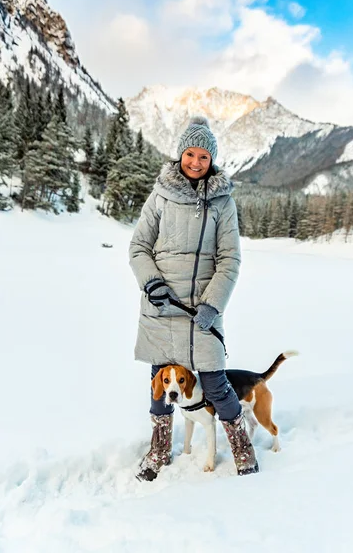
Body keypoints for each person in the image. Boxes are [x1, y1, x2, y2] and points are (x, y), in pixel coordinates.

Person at [129, 116, 259, 481]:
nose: (196, 162)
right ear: (180, 154)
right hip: (162, 308)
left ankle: (241, 446)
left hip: (203, 310)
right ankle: (158, 450)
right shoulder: (160, 196)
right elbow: (138, 246)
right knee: (160, 382)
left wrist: (212, 304)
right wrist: (151, 283)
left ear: (212, 160)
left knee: (216, 383)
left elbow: (230, 258)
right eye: (190, 153)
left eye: (204, 156)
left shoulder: (223, 202)